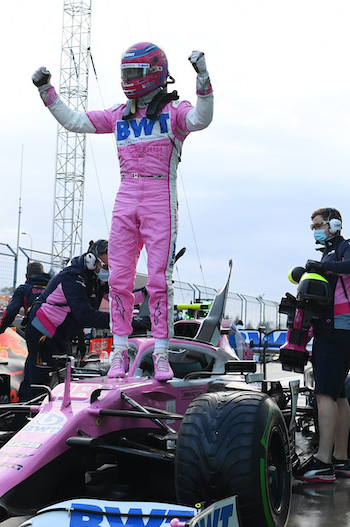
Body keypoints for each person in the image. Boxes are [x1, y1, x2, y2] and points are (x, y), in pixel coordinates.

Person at [33, 43, 214, 382]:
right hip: (126, 196)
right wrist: (47, 91)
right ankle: (119, 351)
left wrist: (203, 78)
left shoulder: (174, 111)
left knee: (159, 280)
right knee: (117, 279)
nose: (129, 80)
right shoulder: (120, 114)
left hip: (160, 195)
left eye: (135, 73)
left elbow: (201, 119)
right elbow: (74, 121)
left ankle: (161, 354)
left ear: (155, 73)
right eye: (125, 74)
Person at [295, 208, 350, 483]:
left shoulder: (347, 247)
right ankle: (340, 459)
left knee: (324, 393)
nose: (314, 229)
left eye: (318, 224)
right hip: (334, 329)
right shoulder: (328, 254)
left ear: (334, 224)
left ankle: (323, 461)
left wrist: (325, 267)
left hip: (339, 329)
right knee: (338, 395)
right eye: (312, 225)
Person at [18, 240, 110, 401]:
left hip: (61, 335)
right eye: (106, 266)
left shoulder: (94, 279)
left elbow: (120, 295)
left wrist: (145, 293)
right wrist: (122, 321)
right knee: (38, 384)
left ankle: (30, 413)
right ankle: (25, 418)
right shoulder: (72, 276)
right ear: (91, 259)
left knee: (59, 379)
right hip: (43, 333)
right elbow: (84, 314)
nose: (108, 271)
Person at [0, 262, 50, 338]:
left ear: (26, 276)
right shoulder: (54, 287)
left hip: (35, 329)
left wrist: (1, 329)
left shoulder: (23, 289)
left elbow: (11, 311)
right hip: (58, 329)